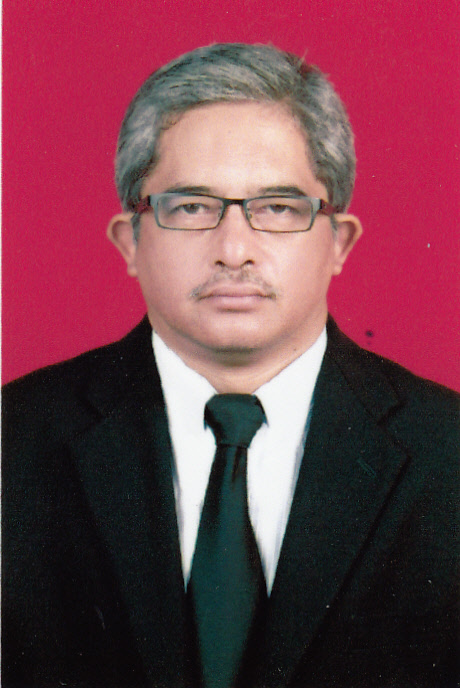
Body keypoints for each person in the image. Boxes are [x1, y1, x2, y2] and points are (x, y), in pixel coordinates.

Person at [2, 43, 458, 688]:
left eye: (278, 207)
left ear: (338, 241)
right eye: (191, 206)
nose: (235, 250)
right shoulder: (13, 440)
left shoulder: (449, 452)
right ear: (130, 240)